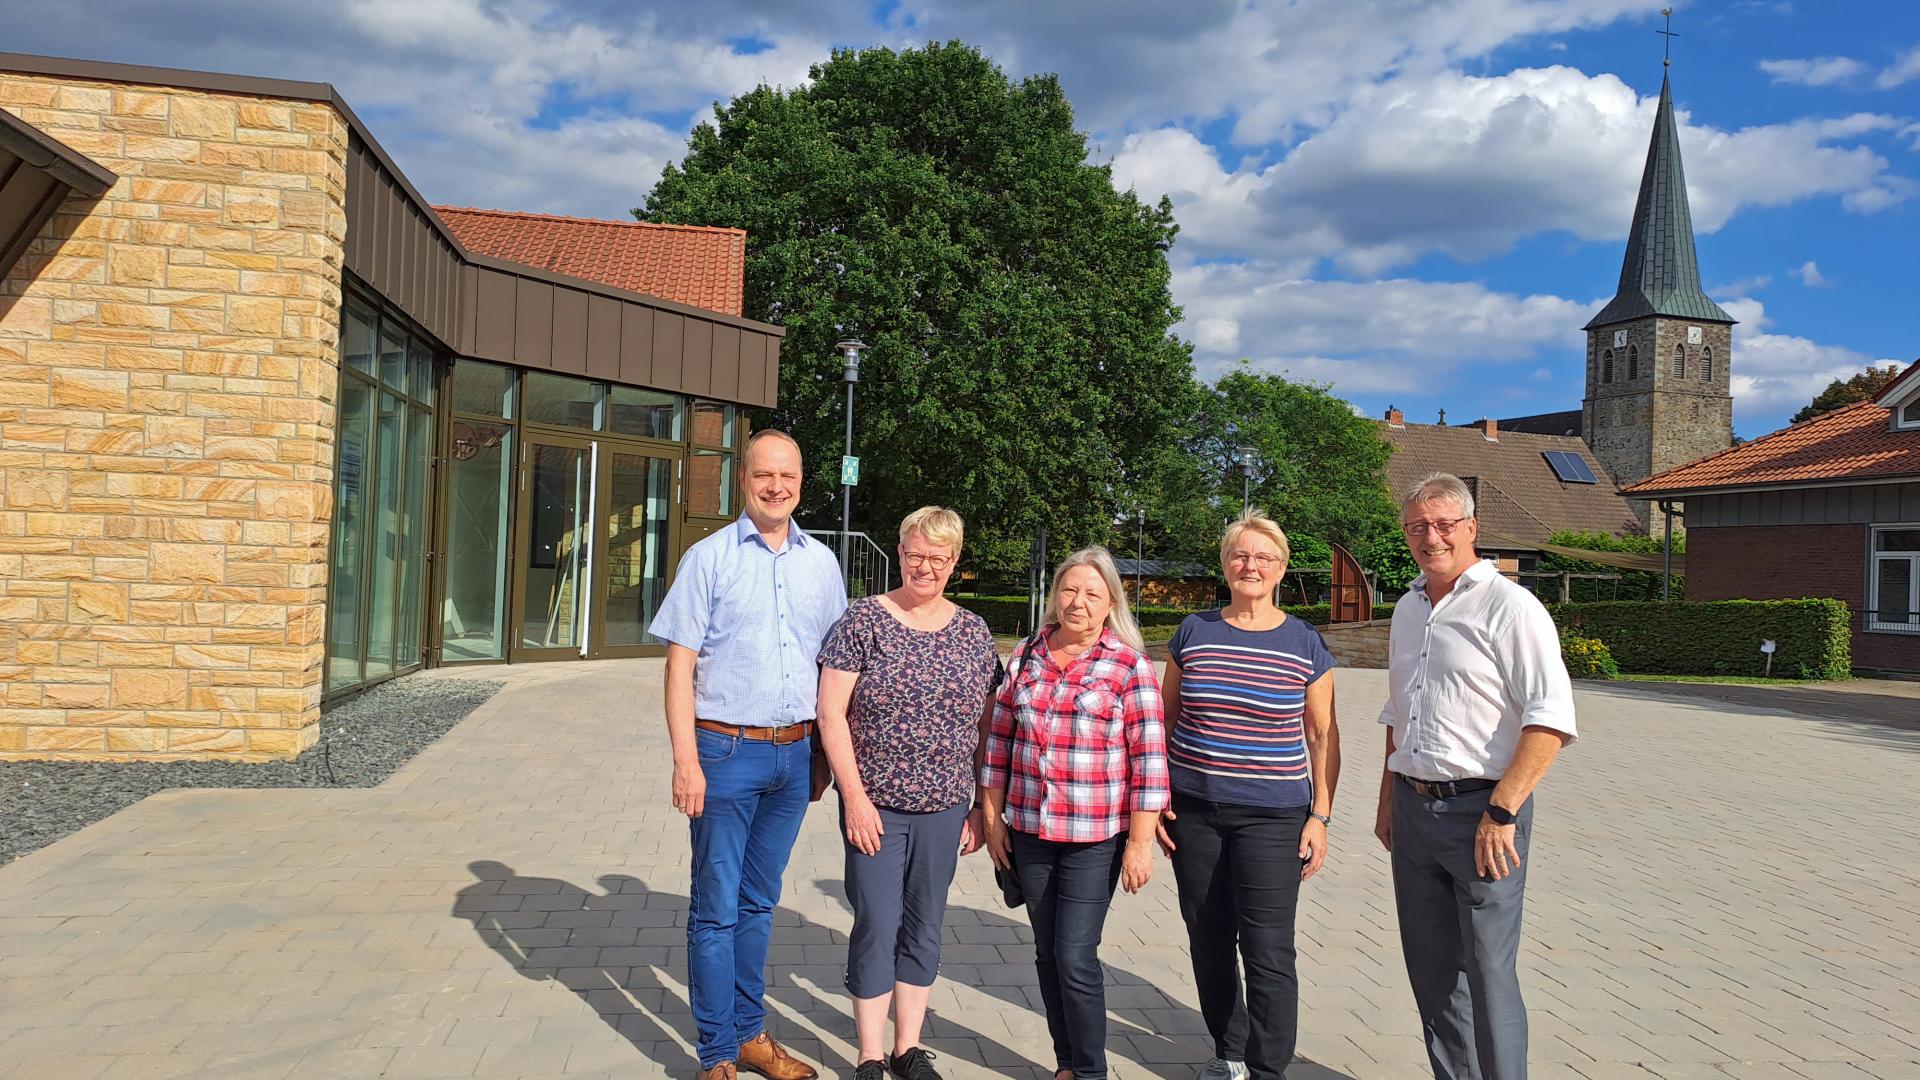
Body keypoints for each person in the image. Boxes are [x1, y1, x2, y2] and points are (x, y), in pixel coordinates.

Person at [648, 429, 847, 1080]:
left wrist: (824, 757)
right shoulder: (708, 559)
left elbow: (837, 665)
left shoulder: (822, 563)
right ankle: (715, 1055)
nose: (776, 486)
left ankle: (750, 1034)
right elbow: (679, 667)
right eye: (764, 474)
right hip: (724, 752)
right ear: (744, 479)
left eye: (786, 476)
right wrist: (685, 760)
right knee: (715, 908)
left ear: (801, 481)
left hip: (793, 758)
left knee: (759, 903)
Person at [1374, 473, 1576, 1080]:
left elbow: (1551, 718)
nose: (1429, 537)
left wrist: (1503, 810)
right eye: (1416, 526)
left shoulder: (1510, 607)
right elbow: (1396, 714)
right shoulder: (1409, 608)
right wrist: (1387, 803)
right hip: (1413, 809)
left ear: (1471, 530)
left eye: (1442, 525)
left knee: (1487, 966)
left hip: (1483, 814)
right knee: (1431, 967)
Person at [815, 506, 1001, 1080]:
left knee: (924, 923)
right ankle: (870, 1054)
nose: (926, 566)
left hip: (945, 809)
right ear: (900, 554)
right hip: (876, 807)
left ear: (954, 563)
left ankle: (907, 1049)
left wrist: (978, 805)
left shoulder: (973, 632)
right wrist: (854, 796)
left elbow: (987, 728)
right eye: (916, 554)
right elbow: (831, 713)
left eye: (938, 558)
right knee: (876, 920)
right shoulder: (863, 620)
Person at [1155, 508, 1341, 1080]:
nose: (1250, 565)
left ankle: (1268, 1068)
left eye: (1264, 557)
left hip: (1274, 816)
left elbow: (1323, 733)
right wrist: (1156, 798)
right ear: (1225, 564)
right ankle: (1229, 1053)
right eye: (1240, 555)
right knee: (1208, 938)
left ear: (1282, 568)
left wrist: (1321, 817)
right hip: (1196, 811)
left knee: (1268, 950)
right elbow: (1165, 717)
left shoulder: (1304, 642)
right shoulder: (1194, 631)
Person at [979, 546, 1169, 1080]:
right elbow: (998, 743)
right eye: (1069, 589)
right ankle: (1066, 1063)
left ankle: (1091, 1070)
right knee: (1045, 953)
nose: (1077, 602)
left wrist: (1139, 842)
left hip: (1096, 837)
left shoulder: (1128, 665)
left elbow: (1149, 760)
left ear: (1111, 602)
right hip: (1031, 830)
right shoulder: (1026, 654)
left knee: (1075, 956)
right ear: (1054, 594)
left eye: (1091, 593)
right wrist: (992, 819)